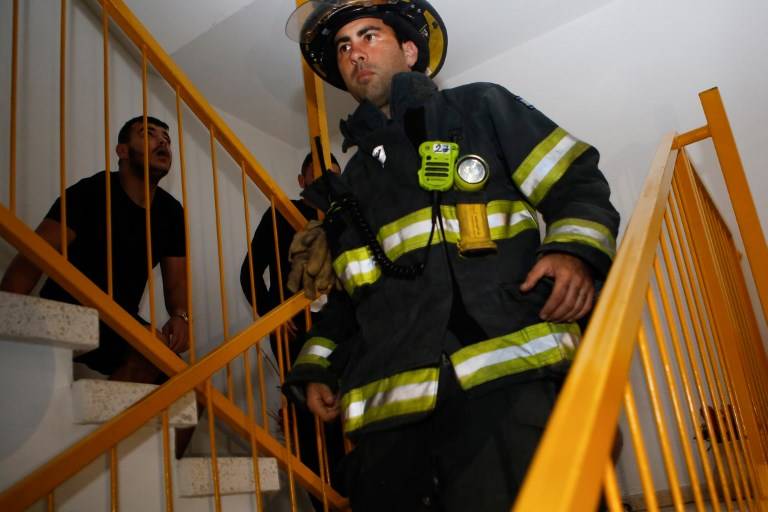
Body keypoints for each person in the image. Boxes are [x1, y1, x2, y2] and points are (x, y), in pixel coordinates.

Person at [282, 1, 620, 510]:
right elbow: (353, 296)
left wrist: (573, 252)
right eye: (344, 46)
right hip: (390, 421)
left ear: (411, 51)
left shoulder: (481, 108)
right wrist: (316, 367)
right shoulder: (348, 186)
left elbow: (576, 182)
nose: (355, 53)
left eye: (369, 35)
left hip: (504, 378)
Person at [1, 115, 189, 384]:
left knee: (190, 388)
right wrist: (7, 313)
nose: (163, 141)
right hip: (69, 303)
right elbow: (33, 256)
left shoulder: (171, 212)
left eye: (167, 139)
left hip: (119, 318)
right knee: (149, 348)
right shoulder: (90, 192)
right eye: (148, 133)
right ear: (122, 151)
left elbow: (177, 281)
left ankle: (110, 426)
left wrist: (180, 316)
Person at [239, 152, 344, 510]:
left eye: (333, 178)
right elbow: (250, 273)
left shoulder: (347, 218)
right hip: (294, 333)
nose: (325, 186)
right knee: (304, 418)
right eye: (316, 179)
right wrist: (274, 314)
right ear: (301, 182)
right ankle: (322, 501)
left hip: (343, 331)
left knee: (345, 415)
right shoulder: (280, 213)